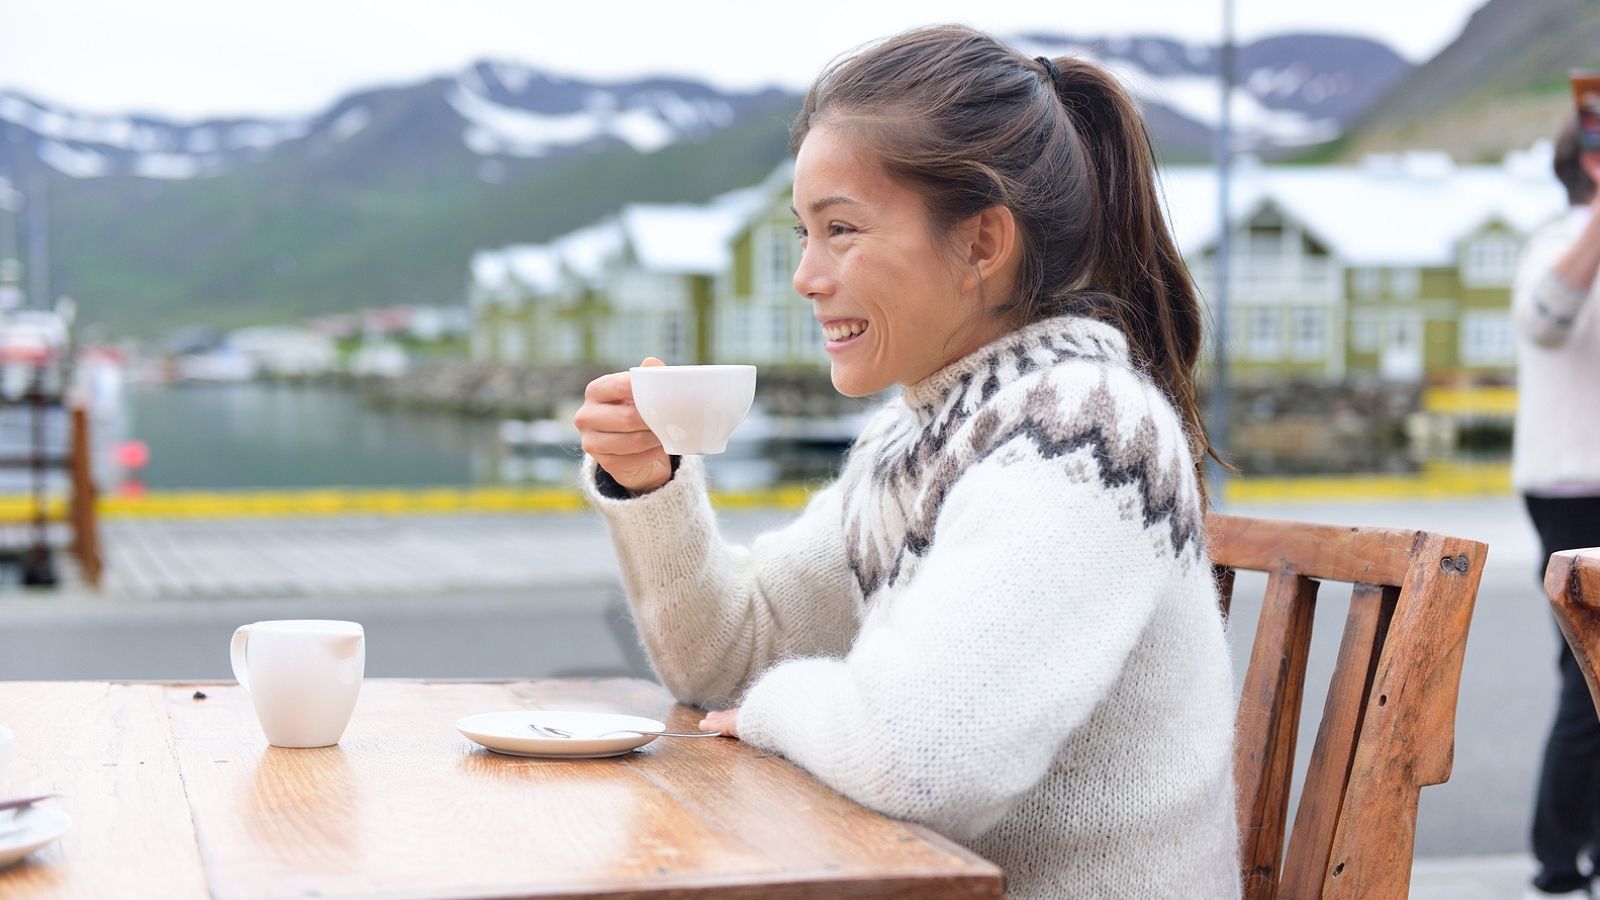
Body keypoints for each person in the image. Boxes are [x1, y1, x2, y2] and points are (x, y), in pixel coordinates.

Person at [573, 25, 1240, 899]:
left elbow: (925, 762)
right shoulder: (918, 436)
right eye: (803, 235)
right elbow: (731, 653)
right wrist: (652, 485)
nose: (806, 276)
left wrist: (771, 713)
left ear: (982, 244)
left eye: (840, 229)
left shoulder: (1084, 434)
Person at [1517, 118, 1600, 900]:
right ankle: (1557, 854)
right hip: (1575, 489)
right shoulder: (1554, 244)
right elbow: (1545, 321)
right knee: (1588, 673)